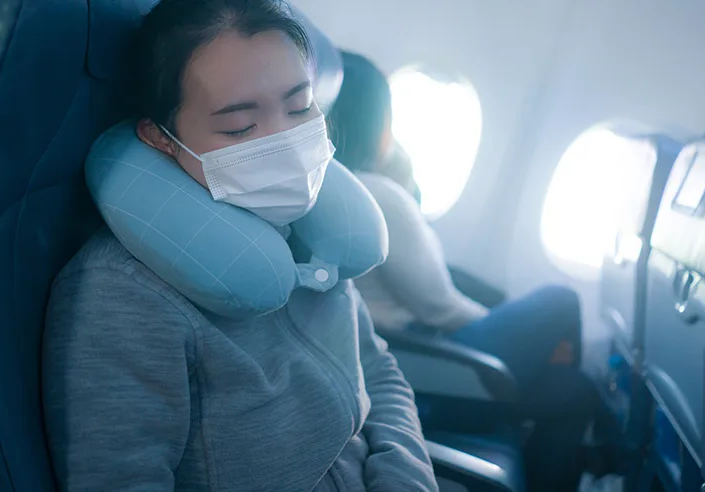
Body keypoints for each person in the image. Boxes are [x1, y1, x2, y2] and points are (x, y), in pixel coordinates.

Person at [40, 2, 438, 491]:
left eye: (299, 107)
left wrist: (406, 479)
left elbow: (376, 369)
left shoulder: (312, 230)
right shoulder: (118, 293)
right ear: (161, 139)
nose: (287, 143)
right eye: (240, 128)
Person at [329, 50, 620, 491]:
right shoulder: (379, 195)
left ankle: (584, 434)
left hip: (403, 354)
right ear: (376, 119)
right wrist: (516, 338)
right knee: (560, 300)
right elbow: (440, 308)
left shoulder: (336, 186)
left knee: (573, 391)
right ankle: (612, 445)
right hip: (425, 365)